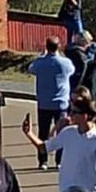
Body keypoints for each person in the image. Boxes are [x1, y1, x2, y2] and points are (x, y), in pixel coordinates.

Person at [22, 94, 96, 192]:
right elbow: (45, 148)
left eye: (74, 112)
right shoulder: (68, 133)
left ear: (85, 115)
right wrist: (29, 134)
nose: (70, 115)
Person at [28, 37, 76, 165]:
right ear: (59, 46)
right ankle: (59, 160)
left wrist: (42, 56)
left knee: (43, 132)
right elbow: (72, 71)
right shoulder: (65, 63)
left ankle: (42, 160)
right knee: (62, 132)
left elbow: (30, 69)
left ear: (46, 46)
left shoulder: (40, 62)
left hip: (44, 103)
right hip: (61, 104)